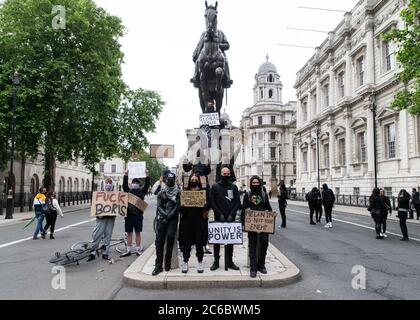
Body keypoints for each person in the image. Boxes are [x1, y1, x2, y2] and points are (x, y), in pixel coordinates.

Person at [209, 166, 241, 271]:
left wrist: (232, 214)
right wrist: (219, 214)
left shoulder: (234, 187)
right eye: (224, 173)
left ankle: (229, 261)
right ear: (221, 174)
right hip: (219, 217)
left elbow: (237, 202)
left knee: (230, 241)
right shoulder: (215, 187)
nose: (226, 175)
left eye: (227, 173)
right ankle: (216, 261)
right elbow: (212, 202)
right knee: (217, 241)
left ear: (230, 174)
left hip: (230, 217)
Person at [241, 176, 272, 278]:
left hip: (263, 224)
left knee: (264, 242)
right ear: (251, 184)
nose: (255, 184)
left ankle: (261, 264)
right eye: (253, 183)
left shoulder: (264, 195)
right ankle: (253, 267)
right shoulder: (247, 195)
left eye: (257, 182)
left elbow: (268, 207)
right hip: (252, 224)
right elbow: (244, 208)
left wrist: (272, 214)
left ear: (260, 183)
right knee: (252, 244)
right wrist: (243, 222)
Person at [152, 172, 181, 276]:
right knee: (159, 240)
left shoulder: (178, 192)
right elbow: (159, 206)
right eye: (168, 180)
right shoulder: (161, 193)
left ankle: (167, 259)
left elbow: (177, 205)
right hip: (162, 218)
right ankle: (158, 264)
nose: (170, 181)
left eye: (172, 179)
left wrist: (170, 215)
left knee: (170, 237)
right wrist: (165, 215)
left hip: (172, 218)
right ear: (166, 181)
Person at [179, 173, 207, 274]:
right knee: (187, 242)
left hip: (199, 221)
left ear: (198, 181)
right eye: (192, 179)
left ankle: (200, 261)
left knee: (199, 242)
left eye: (196, 179)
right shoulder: (185, 192)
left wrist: (205, 205)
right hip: (187, 221)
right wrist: (182, 206)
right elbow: (179, 209)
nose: (194, 181)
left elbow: (208, 207)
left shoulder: (202, 193)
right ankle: (185, 261)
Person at [120, 169, 150, 257]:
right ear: (131, 184)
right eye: (134, 183)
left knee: (138, 233)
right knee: (129, 233)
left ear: (138, 185)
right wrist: (125, 175)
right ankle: (128, 249)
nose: (135, 184)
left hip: (138, 216)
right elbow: (124, 185)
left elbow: (147, 185)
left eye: (136, 183)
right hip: (128, 216)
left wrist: (147, 175)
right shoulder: (128, 192)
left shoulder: (142, 192)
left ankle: (137, 249)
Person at [87, 178, 116, 261]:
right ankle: (92, 252)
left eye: (110, 183)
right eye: (107, 183)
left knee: (108, 235)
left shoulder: (115, 195)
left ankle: (105, 252)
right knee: (97, 235)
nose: (108, 185)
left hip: (110, 218)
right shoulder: (99, 194)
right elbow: (95, 206)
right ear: (104, 184)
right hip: (101, 218)